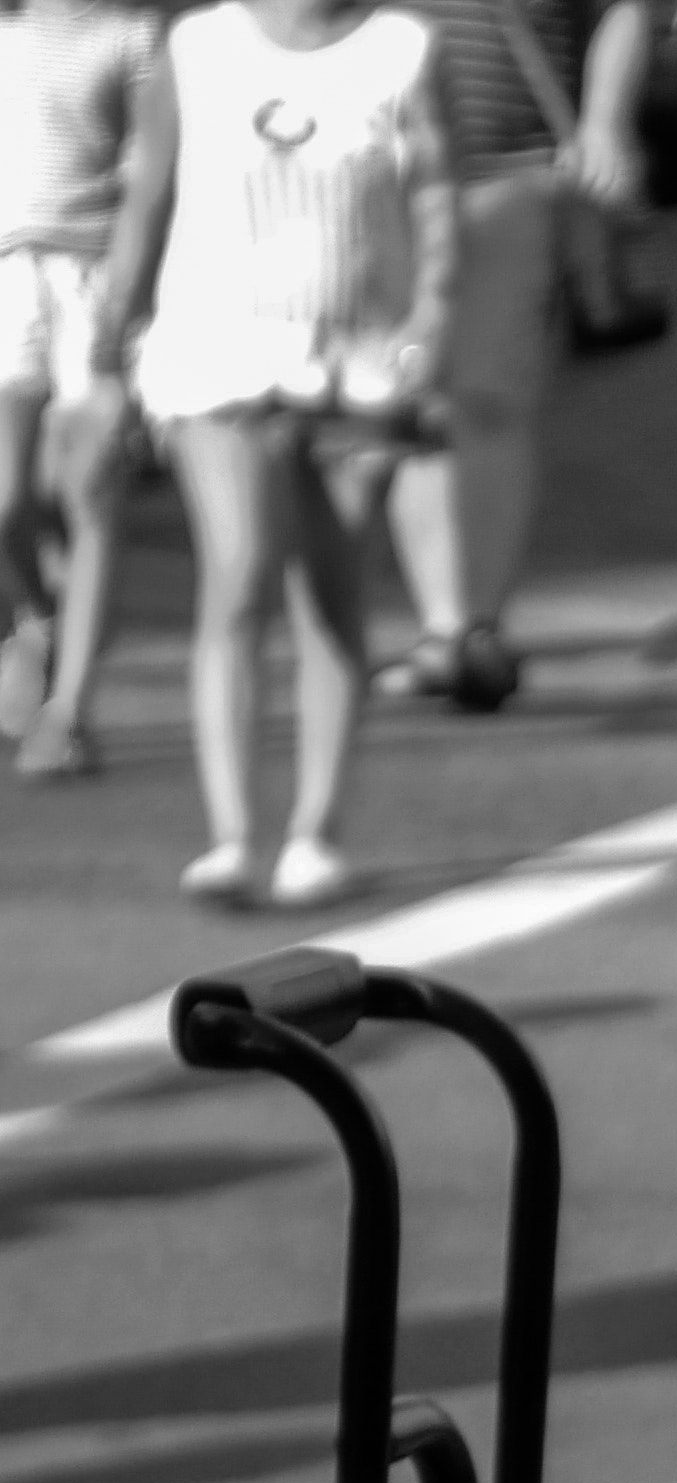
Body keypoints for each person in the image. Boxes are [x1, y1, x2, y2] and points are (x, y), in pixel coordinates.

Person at [96, 0, 456, 907]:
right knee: (243, 564)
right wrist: (109, 336)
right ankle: (232, 836)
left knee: (330, 592)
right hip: (217, 352)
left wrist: (431, 320)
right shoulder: (198, 44)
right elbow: (149, 192)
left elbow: (436, 194)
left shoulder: (405, 49)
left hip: (356, 359)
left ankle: (315, 831)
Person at [374, 0, 643, 715]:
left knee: (489, 401)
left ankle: (475, 628)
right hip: (378, 172)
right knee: (408, 403)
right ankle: (443, 628)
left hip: (510, 172)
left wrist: (605, 121)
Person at [0, 0, 159, 782]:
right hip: (7, 277)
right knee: (6, 500)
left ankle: (68, 714)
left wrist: (127, 305)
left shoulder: (133, 36)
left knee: (89, 494)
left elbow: (149, 181)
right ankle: (36, 619)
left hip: (94, 281)